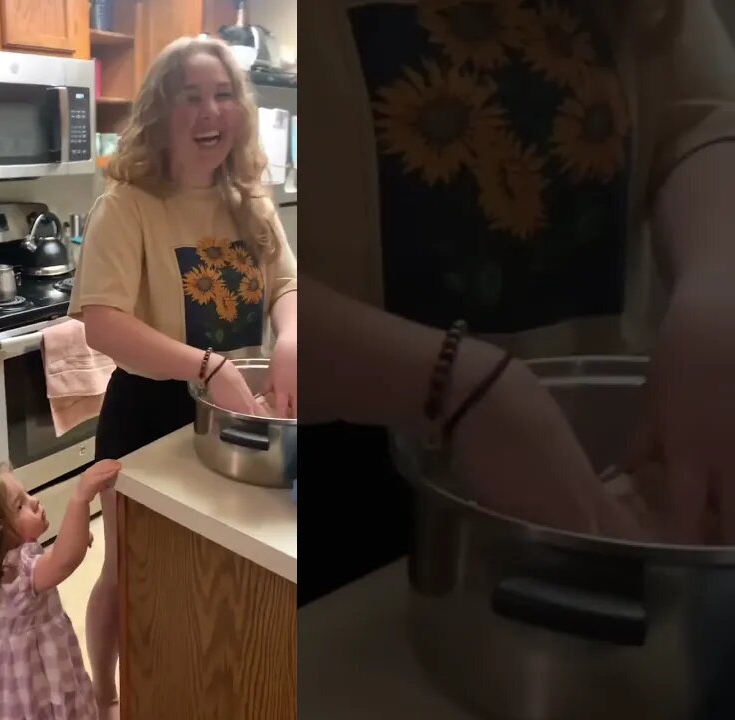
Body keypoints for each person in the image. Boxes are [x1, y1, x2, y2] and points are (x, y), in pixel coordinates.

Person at [70, 34, 643, 711]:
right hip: (152, 408)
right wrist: (206, 363)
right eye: (191, 96)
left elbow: (286, 283)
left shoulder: (247, 197)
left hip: (240, 400)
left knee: (212, 570)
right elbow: (102, 323)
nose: (211, 110)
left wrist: (287, 336)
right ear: (161, 113)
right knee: (127, 570)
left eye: (223, 94)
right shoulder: (128, 204)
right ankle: (103, 691)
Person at [294, 0, 735, 600]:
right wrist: (450, 384)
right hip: (325, 477)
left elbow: (703, 119)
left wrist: (715, 293)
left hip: (591, 433)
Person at [0, 460, 122, 720]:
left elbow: (54, 555)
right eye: (19, 505)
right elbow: (64, 561)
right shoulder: (20, 572)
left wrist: (74, 537)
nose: (33, 502)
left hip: (5, 667)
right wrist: (81, 497)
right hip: (35, 673)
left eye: (26, 494)